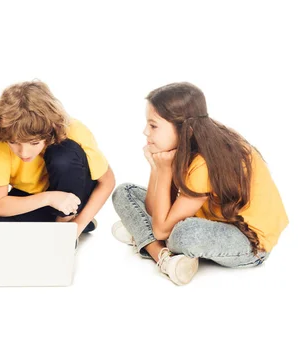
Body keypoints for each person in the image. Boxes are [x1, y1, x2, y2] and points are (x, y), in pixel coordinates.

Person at [112, 82, 288, 285]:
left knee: (185, 234)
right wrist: (156, 169)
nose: (145, 131)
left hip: (249, 242)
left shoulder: (205, 161)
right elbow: (155, 214)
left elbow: (160, 229)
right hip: (206, 218)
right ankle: (161, 253)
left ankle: (145, 241)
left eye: (153, 125)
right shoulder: (189, 144)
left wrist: (164, 170)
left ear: (184, 129)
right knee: (125, 192)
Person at [0, 80, 115, 237]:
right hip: (37, 198)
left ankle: (67, 224)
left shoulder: (75, 130)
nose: (24, 153)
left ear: (50, 130)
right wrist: (48, 198)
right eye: (14, 143)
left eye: (34, 143)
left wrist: (76, 228)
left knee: (63, 155)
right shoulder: (4, 139)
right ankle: (51, 229)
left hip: (73, 194)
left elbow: (107, 182)